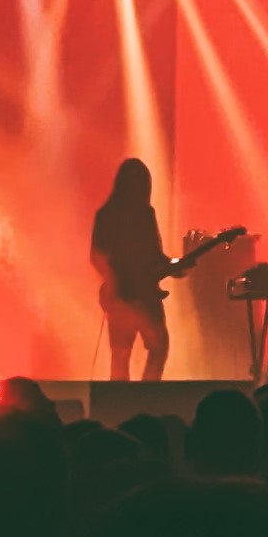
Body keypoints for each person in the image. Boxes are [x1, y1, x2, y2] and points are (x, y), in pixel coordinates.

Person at [90, 159, 174, 383]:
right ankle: (143, 392)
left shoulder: (142, 214)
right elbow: (97, 255)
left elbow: (155, 255)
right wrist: (113, 282)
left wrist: (174, 265)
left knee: (142, 349)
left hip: (141, 293)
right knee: (129, 351)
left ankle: (141, 393)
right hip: (128, 296)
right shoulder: (111, 215)